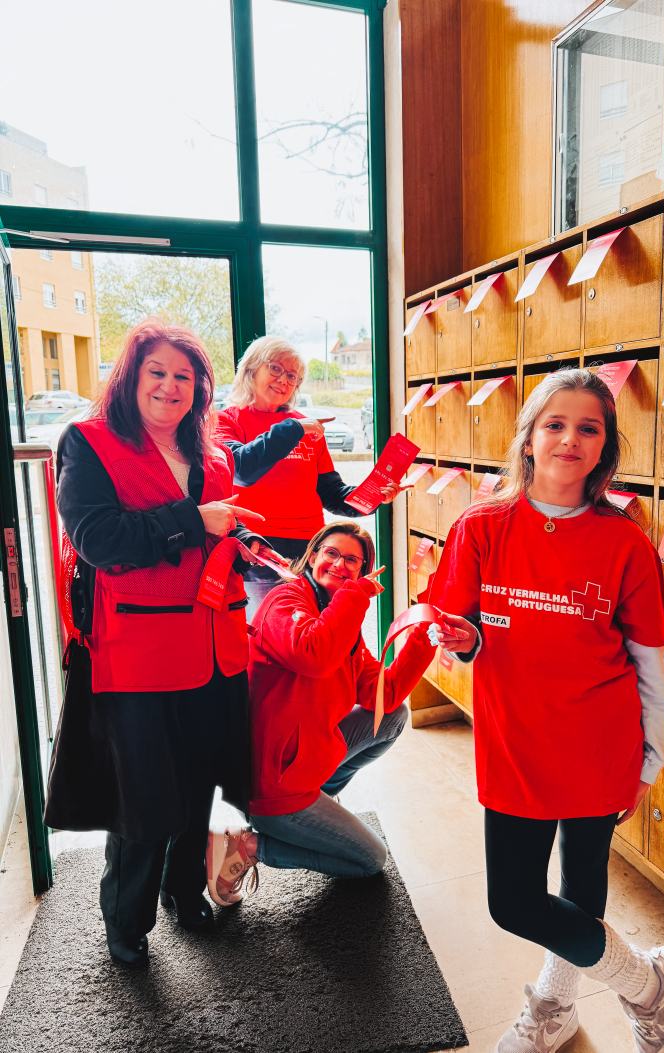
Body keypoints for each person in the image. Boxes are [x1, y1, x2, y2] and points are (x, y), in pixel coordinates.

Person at [428, 368, 664, 1053]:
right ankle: (647, 982)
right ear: (529, 438)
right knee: (513, 902)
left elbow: (649, 666)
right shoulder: (482, 525)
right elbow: (462, 629)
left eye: (588, 428)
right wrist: (461, 638)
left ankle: (556, 1005)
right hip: (515, 743)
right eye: (555, 424)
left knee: (581, 879)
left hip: (600, 744)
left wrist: (650, 762)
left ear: (604, 448)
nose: (570, 439)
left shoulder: (625, 541)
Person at [45, 318, 264, 969]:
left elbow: (215, 536)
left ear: (200, 388)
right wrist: (194, 520)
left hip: (216, 648)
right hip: (136, 655)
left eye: (184, 376)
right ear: (131, 377)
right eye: (157, 372)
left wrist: (245, 541)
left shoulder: (214, 454)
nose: (170, 386)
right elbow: (99, 540)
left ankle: (183, 890)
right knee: (143, 800)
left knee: (199, 787)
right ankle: (127, 919)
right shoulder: (88, 442)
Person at [205, 521, 435, 900]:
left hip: (302, 759)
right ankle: (246, 846)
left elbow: (383, 696)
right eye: (331, 553)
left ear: (362, 570)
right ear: (312, 556)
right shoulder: (285, 600)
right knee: (370, 860)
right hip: (272, 783)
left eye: (352, 560)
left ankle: (320, 795)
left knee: (393, 718)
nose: (340, 564)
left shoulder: (340, 619)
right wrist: (355, 595)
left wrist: (427, 634)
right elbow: (313, 654)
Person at [214, 336, 407, 613]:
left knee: (318, 633)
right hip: (260, 552)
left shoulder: (305, 426)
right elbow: (241, 469)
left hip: (312, 553)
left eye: (293, 376)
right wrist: (294, 429)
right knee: (271, 634)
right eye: (276, 368)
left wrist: (374, 496)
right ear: (251, 368)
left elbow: (332, 493)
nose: (284, 380)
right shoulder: (226, 421)